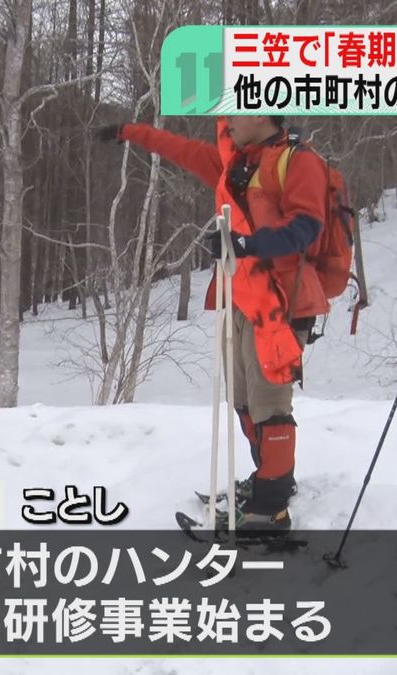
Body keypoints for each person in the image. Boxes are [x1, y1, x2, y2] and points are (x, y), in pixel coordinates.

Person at [98, 116, 329, 530]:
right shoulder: (236, 164)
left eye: (234, 115)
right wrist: (128, 132)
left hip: (282, 303)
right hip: (241, 297)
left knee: (270, 403)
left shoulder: (297, 161)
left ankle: (270, 510)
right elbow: (180, 150)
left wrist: (248, 244)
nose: (226, 125)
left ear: (260, 114)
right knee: (244, 401)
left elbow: (307, 227)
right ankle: (268, 481)